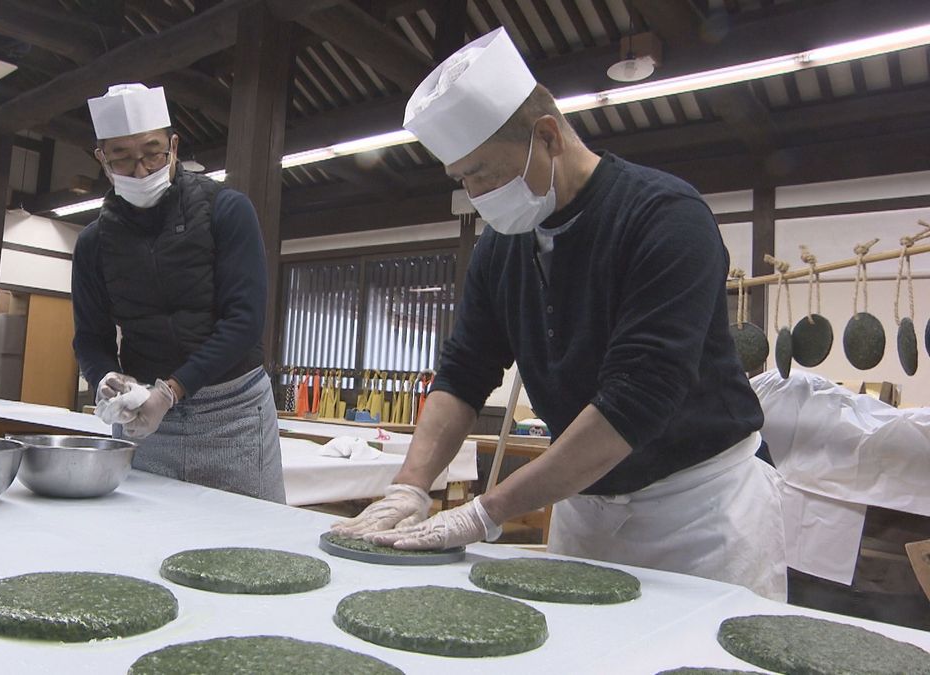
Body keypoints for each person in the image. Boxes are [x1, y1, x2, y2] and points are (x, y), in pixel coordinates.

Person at [333, 29, 786, 600]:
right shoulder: (502, 247)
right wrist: (410, 487)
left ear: (546, 137)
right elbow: (463, 372)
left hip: (701, 512)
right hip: (583, 504)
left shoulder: (666, 218)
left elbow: (636, 400)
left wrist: (484, 513)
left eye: (481, 173)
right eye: (462, 180)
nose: (475, 195)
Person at [71, 83, 285, 503]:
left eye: (152, 153)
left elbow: (244, 321)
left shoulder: (227, 210)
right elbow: (90, 337)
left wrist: (172, 390)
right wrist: (105, 379)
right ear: (102, 158)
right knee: (147, 536)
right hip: (145, 418)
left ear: (173, 145)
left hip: (234, 412)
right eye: (122, 158)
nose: (140, 170)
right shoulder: (94, 243)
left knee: (248, 542)